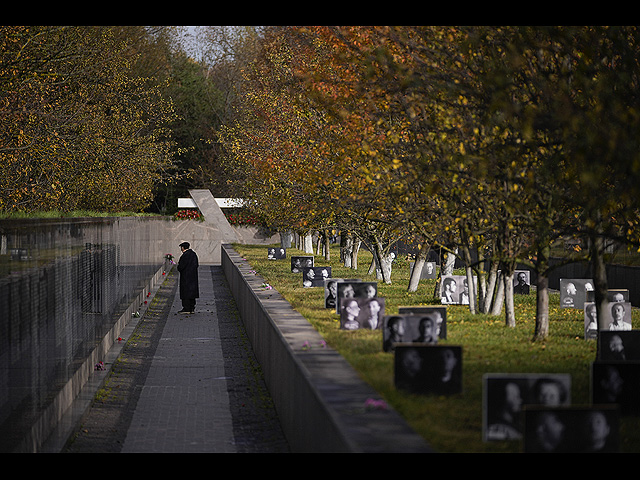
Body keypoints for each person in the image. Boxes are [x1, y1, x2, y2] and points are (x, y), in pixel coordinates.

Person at [177, 241, 199, 314]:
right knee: (192, 292)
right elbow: (196, 265)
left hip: (185, 277)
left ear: (183, 248)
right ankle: (192, 308)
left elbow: (181, 267)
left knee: (185, 292)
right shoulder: (193, 254)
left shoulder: (184, 256)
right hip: (193, 277)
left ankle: (186, 308)